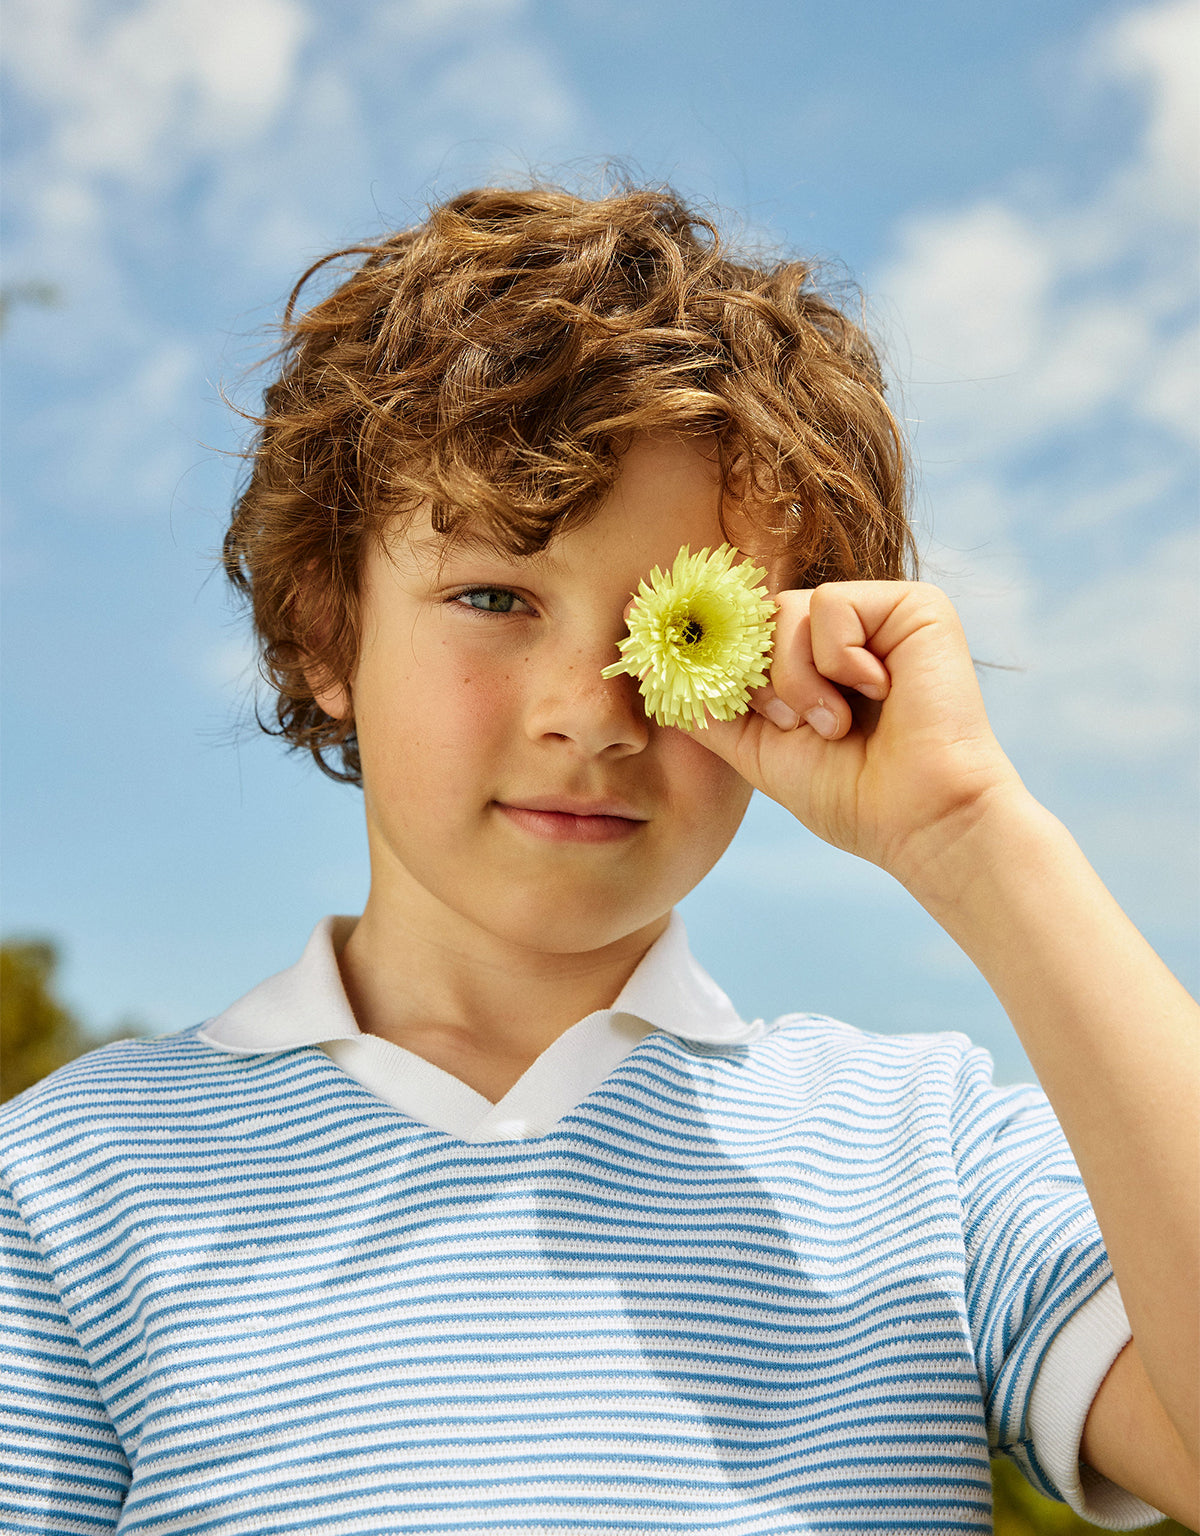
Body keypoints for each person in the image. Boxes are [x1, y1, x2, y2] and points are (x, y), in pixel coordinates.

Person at [1, 184, 1195, 1535]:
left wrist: (970, 833)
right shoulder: (70, 1187)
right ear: (325, 634)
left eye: (684, 622)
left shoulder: (921, 1152)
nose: (592, 707)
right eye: (494, 598)